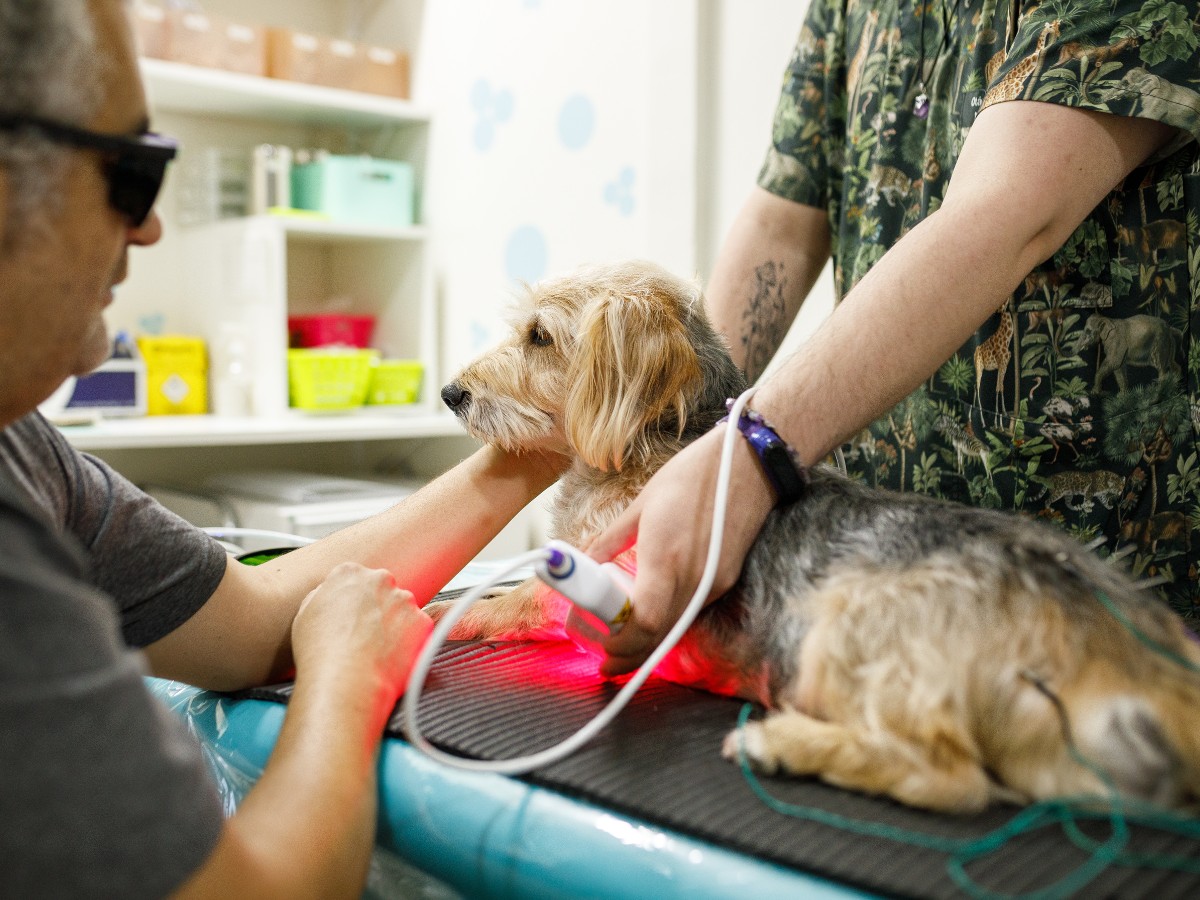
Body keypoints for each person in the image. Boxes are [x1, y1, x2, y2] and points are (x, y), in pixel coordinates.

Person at [0, 1, 562, 896]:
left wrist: (532, 451)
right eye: (134, 175)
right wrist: (345, 675)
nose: (148, 230)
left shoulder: (23, 448)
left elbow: (249, 621)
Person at [590, 0, 1200, 676]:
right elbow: (782, 228)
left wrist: (748, 455)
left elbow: (1004, 217)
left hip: (1094, 593)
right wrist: (680, 432)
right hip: (877, 585)